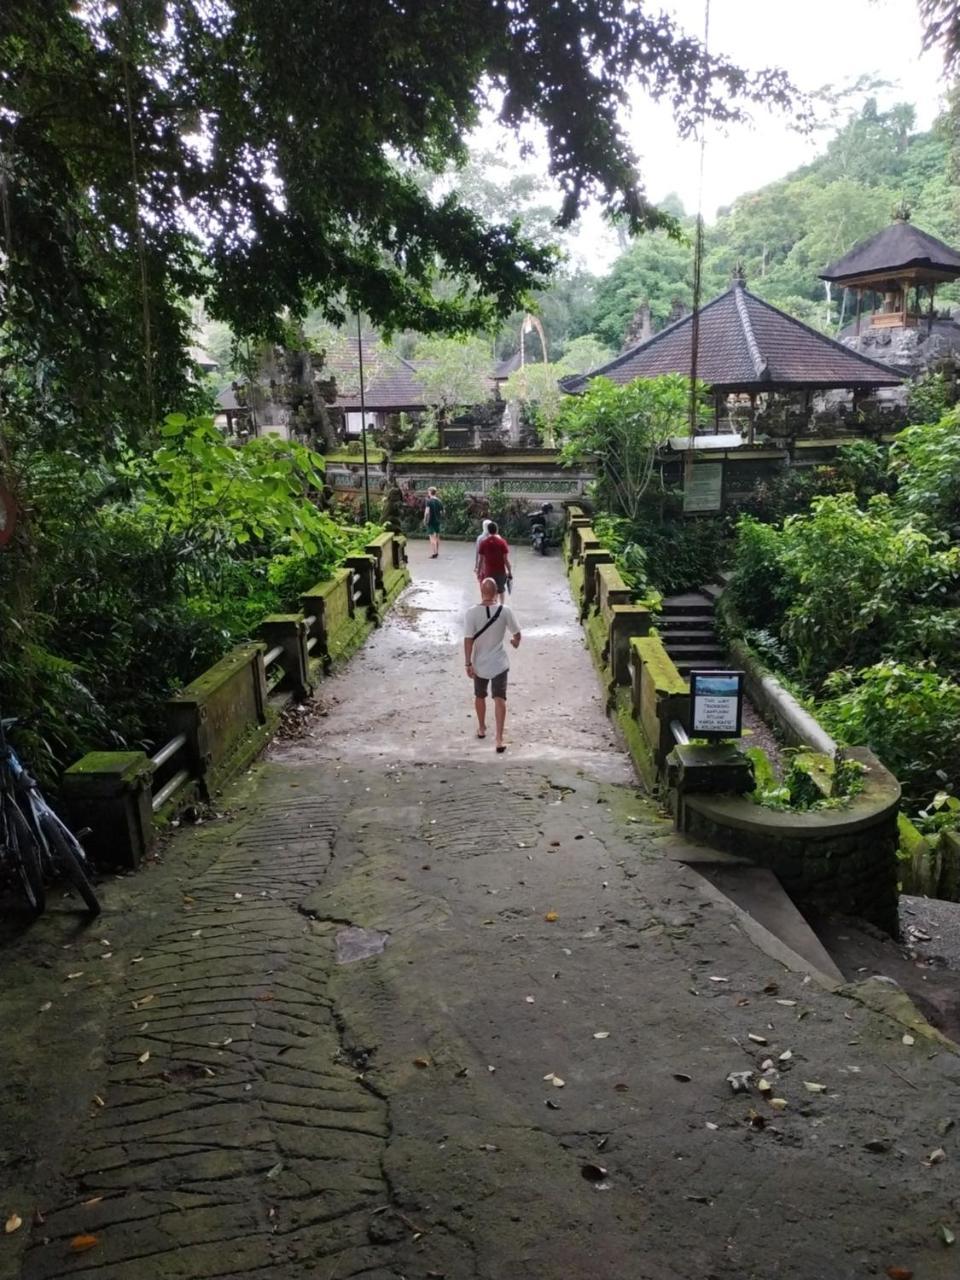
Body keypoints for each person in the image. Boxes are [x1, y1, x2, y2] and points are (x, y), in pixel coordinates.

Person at [464, 577, 521, 753]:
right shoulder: (505, 611)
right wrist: (514, 641)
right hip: (499, 664)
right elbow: (517, 634)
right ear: (496, 593)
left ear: (481, 592)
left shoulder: (471, 613)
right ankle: (499, 739)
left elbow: (468, 640)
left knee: (479, 696)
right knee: (500, 699)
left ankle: (481, 727)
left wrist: (468, 663)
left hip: (479, 663)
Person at [476, 520, 512, 602]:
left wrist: (479, 572)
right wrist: (509, 572)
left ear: (488, 530)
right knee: (501, 590)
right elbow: (506, 560)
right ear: (497, 530)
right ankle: (501, 606)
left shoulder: (484, 543)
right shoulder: (502, 542)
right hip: (500, 571)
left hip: (488, 571)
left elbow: (481, 560)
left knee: (490, 591)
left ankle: (492, 605)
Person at [423, 486, 443, 558]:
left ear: (430, 492)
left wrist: (425, 519)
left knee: (432, 537)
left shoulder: (429, 501)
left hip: (430, 521)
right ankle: (437, 551)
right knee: (437, 536)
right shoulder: (439, 501)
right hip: (437, 521)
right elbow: (442, 512)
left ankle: (434, 553)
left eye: (428, 492)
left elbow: (427, 512)